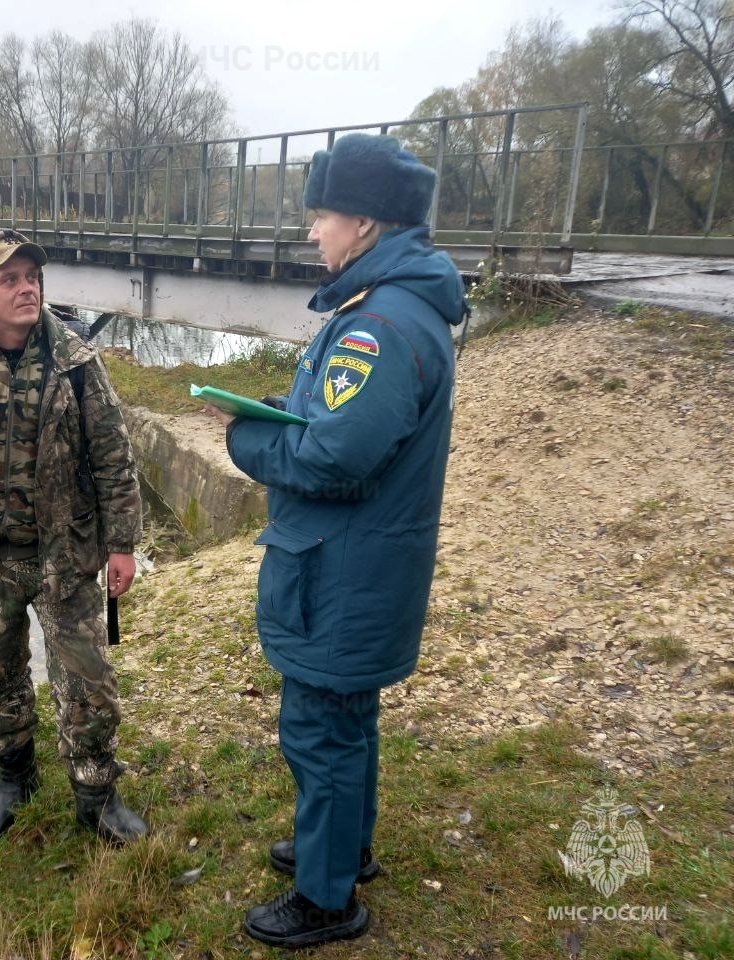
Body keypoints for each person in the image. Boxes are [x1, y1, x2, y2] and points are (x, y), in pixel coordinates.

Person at [209, 133, 466, 948]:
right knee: (347, 722)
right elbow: (341, 426)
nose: (312, 232)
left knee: (319, 731)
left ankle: (328, 900)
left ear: (362, 221)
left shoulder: (378, 327)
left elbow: (336, 456)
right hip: (362, 566)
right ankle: (344, 850)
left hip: (342, 574)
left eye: (320, 216)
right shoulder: (392, 309)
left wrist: (245, 441)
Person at [0, 228, 148, 844]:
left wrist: (122, 542)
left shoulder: (74, 361)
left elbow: (113, 454)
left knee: (87, 678)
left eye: (31, 276)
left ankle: (96, 793)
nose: (25, 288)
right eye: (7, 279)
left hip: (66, 556)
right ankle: (14, 777)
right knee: (0, 673)